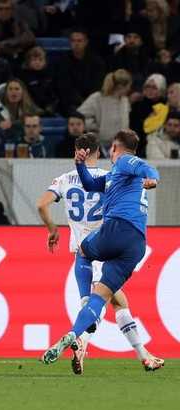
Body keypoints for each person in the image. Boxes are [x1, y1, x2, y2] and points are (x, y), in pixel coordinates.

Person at [37, 132, 164, 374]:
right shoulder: (112, 175)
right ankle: (142, 355)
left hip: (102, 241)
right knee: (116, 301)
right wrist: (150, 180)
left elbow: (42, 203)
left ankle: (82, 334)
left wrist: (53, 230)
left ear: (115, 147)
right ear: (99, 151)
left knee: (99, 295)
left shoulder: (115, 166)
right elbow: (93, 184)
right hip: (132, 242)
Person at [53, 29, 107, 117]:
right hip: (70, 103)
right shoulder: (62, 61)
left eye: (79, 41)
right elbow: (63, 85)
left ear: (86, 42)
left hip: (92, 101)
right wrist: (79, 101)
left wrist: (88, 101)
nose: (76, 44)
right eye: (73, 41)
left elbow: (98, 85)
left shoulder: (97, 61)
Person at [77, 69, 132, 150]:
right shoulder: (97, 98)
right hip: (100, 146)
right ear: (121, 86)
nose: (129, 89)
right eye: (129, 86)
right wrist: (95, 128)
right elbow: (79, 116)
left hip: (120, 146)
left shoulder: (125, 100)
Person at [0, 79, 41, 143]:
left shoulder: (30, 108)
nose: (13, 92)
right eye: (10, 89)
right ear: (6, 92)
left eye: (17, 89)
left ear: (23, 92)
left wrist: (12, 124)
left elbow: (31, 125)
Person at [17, 46, 57, 116]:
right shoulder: (23, 75)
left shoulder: (50, 74)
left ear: (45, 61)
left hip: (47, 106)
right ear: (28, 61)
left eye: (40, 60)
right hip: (30, 105)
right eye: (34, 60)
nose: (37, 62)